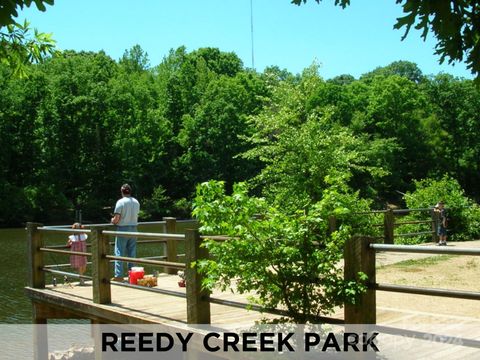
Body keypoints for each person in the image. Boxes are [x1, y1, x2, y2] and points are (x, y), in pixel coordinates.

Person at [111, 184, 140, 281]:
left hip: (123, 229)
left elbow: (116, 219)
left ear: (122, 191)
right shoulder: (136, 202)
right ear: (130, 191)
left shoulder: (120, 202)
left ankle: (119, 276)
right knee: (132, 253)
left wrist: (112, 220)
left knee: (119, 252)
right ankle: (132, 275)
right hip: (134, 229)